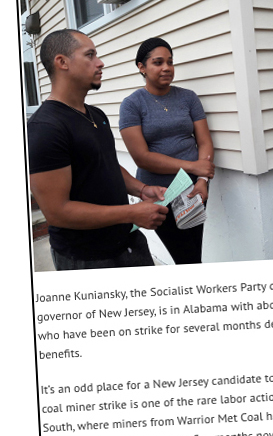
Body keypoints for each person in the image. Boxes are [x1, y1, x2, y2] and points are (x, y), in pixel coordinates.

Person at [28, 29, 168, 271]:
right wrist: (131, 213)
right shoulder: (45, 128)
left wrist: (142, 188)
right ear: (62, 62)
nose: (100, 62)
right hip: (86, 259)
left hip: (130, 243)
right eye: (90, 55)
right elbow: (57, 212)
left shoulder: (96, 115)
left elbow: (107, 165)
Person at [119, 37, 215, 264]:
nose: (166, 68)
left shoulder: (188, 97)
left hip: (194, 188)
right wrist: (193, 166)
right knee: (184, 256)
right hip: (159, 193)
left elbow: (204, 141)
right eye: (158, 62)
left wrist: (201, 179)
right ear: (141, 67)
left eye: (170, 62)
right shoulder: (132, 104)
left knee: (195, 250)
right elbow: (142, 158)